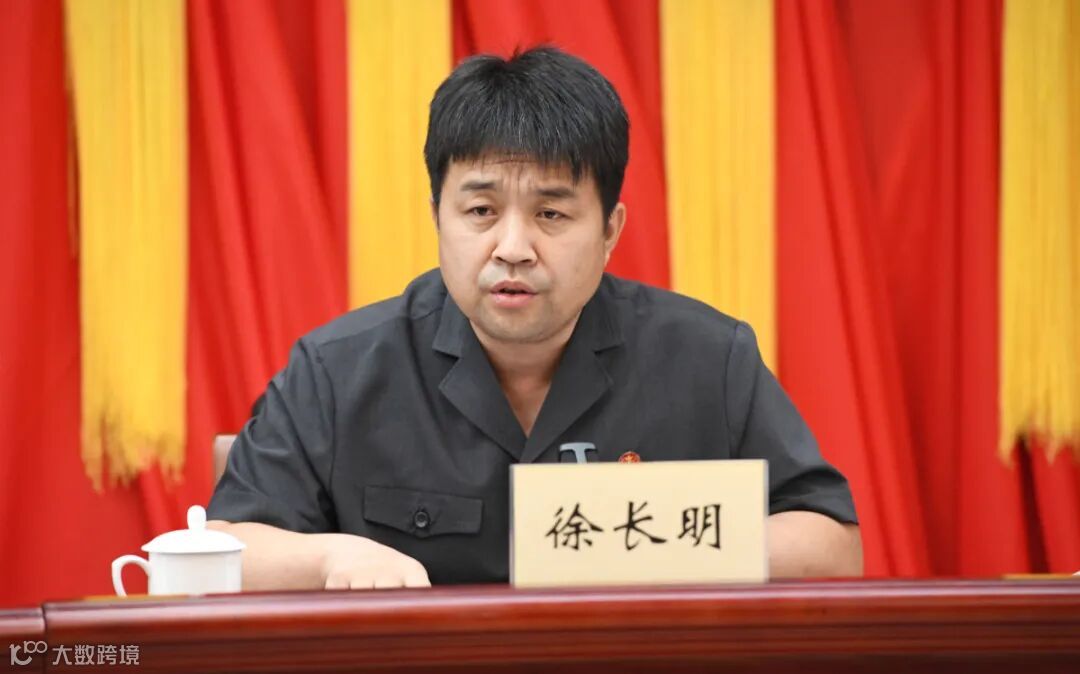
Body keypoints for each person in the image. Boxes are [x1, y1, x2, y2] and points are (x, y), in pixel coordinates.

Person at [207, 47, 862, 590]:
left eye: (551, 214)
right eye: (481, 212)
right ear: (438, 218)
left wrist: (661, 546)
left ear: (609, 230)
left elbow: (830, 542)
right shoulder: (337, 370)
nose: (513, 248)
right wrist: (331, 557)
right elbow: (226, 546)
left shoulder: (708, 359)